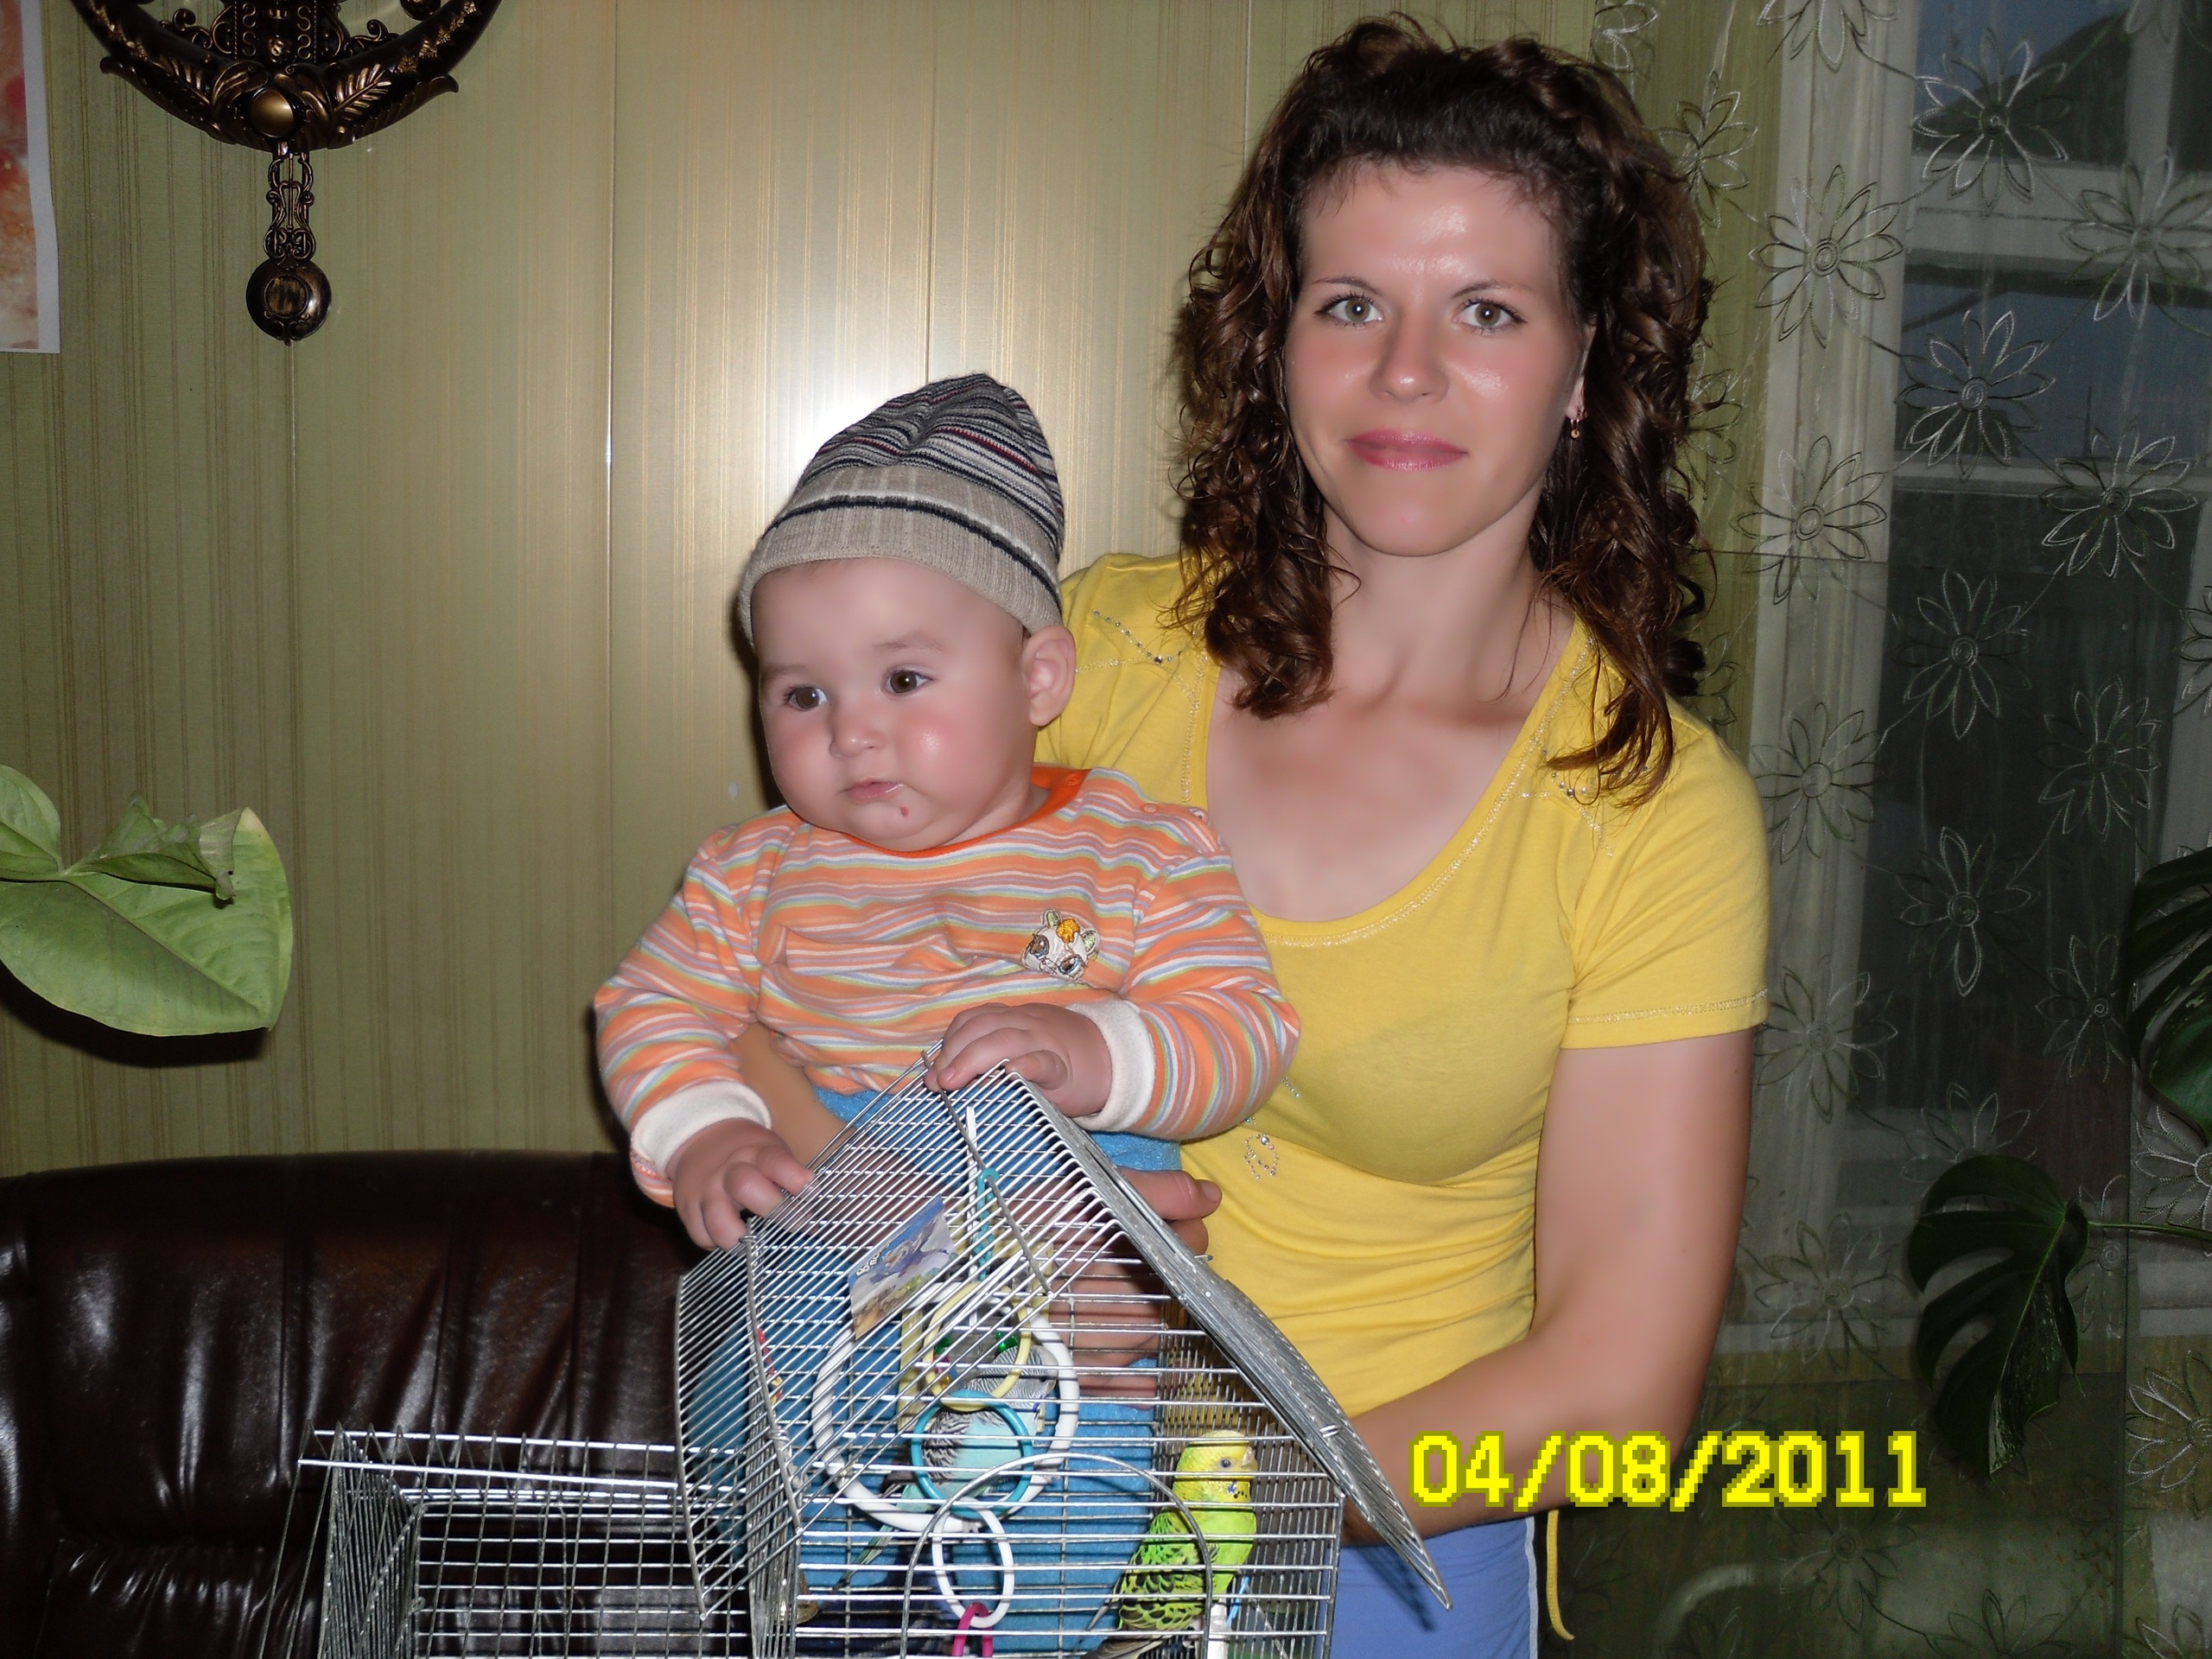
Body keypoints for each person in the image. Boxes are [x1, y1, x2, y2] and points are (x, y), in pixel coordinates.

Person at [734, 23, 1768, 1655]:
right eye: (1351, 303)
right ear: (1279, 344)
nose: (1405, 371)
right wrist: (936, 1256)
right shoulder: (1091, 659)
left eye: (1486, 311)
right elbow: (752, 995)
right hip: (997, 1489)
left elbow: (1617, 1385)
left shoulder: (1650, 813)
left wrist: (1233, 1482)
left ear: (1585, 372)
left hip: (1388, 1557)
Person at [594, 372, 1297, 1247]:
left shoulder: (1139, 852)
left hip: (1067, 1211)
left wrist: (1092, 1052)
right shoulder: (749, 875)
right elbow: (650, 1004)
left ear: (1038, 679)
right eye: (804, 695)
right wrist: (707, 1127)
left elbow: (1244, 1026)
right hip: (829, 1231)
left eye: (903, 679)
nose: (851, 733)